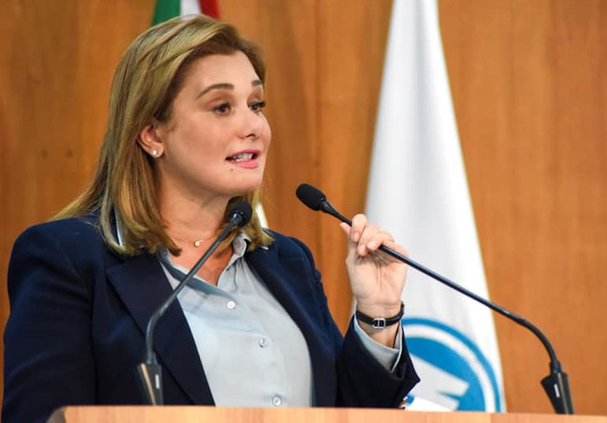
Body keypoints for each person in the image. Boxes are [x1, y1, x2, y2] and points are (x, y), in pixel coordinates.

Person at [2, 15, 419, 423]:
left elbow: (348, 412)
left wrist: (377, 315)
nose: (253, 126)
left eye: (256, 105)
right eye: (222, 107)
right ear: (152, 134)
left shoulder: (287, 262)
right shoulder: (70, 260)